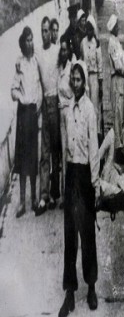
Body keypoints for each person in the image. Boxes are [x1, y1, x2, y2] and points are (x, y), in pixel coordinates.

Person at [58, 60, 100, 317]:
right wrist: (64, 183)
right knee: (70, 234)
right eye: (72, 80)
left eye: (79, 80)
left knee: (87, 233)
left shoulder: (89, 111)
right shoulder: (66, 112)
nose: (75, 84)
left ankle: (91, 286)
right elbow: (65, 150)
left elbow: (94, 150)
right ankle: (70, 290)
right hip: (72, 175)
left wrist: (94, 184)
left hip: (85, 176)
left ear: (85, 82)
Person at [11, 26, 42, 218]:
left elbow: (39, 85)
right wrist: (21, 98)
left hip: (33, 113)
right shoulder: (20, 64)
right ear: (23, 43)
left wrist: (37, 105)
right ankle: (22, 202)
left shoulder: (36, 62)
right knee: (23, 160)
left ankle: (35, 200)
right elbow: (13, 90)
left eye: (32, 39)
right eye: (27, 40)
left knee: (33, 158)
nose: (30, 43)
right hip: (23, 115)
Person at [37, 15, 62, 215]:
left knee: (56, 151)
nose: (46, 34)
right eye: (43, 31)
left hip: (57, 102)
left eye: (48, 30)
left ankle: (57, 192)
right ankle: (44, 196)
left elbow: (62, 74)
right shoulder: (38, 53)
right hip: (45, 104)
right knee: (44, 152)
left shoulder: (56, 51)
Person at [107, 14, 124, 165]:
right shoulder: (111, 43)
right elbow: (118, 66)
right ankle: (117, 149)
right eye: (117, 26)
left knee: (120, 115)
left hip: (120, 81)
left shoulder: (116, 42)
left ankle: (119, 147)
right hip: (116, 80)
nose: (118, 28)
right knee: (117, 116)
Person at [57, 36, 74, 208]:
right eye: (61, 50)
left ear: (69, 51)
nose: (63, 53)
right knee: (63, 153)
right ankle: (64, 195)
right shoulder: (58, 69)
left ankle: (72, 194)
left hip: (69, 113)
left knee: (71, 152)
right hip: (60, 113)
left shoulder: (71, 68)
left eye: (65, 50)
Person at [80, 15, 103, 139]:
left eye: (91, 29)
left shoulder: (97, 43)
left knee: (95, 106)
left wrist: (101, 84)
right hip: (85, 79)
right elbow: (81, 60)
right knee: (86, 105)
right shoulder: (82, 43)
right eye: (87, 29)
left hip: (94, 79)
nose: (89, 32)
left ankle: (96, 132)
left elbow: (100, 65)